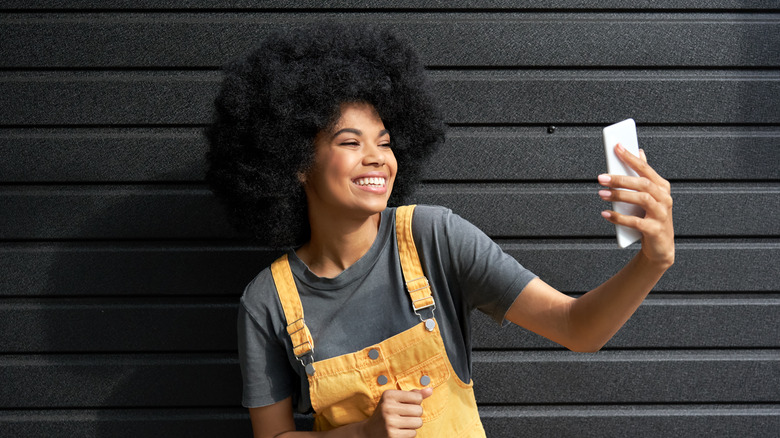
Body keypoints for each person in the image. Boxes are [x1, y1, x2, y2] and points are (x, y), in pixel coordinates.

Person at [206, 23, 674, 438]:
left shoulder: (433, 238)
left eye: (385, 142)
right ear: (294, 163)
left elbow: (578, 328)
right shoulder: (267, 301)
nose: (377, 158)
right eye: (350, 141)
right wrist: (363, 435)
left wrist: (652, 261)